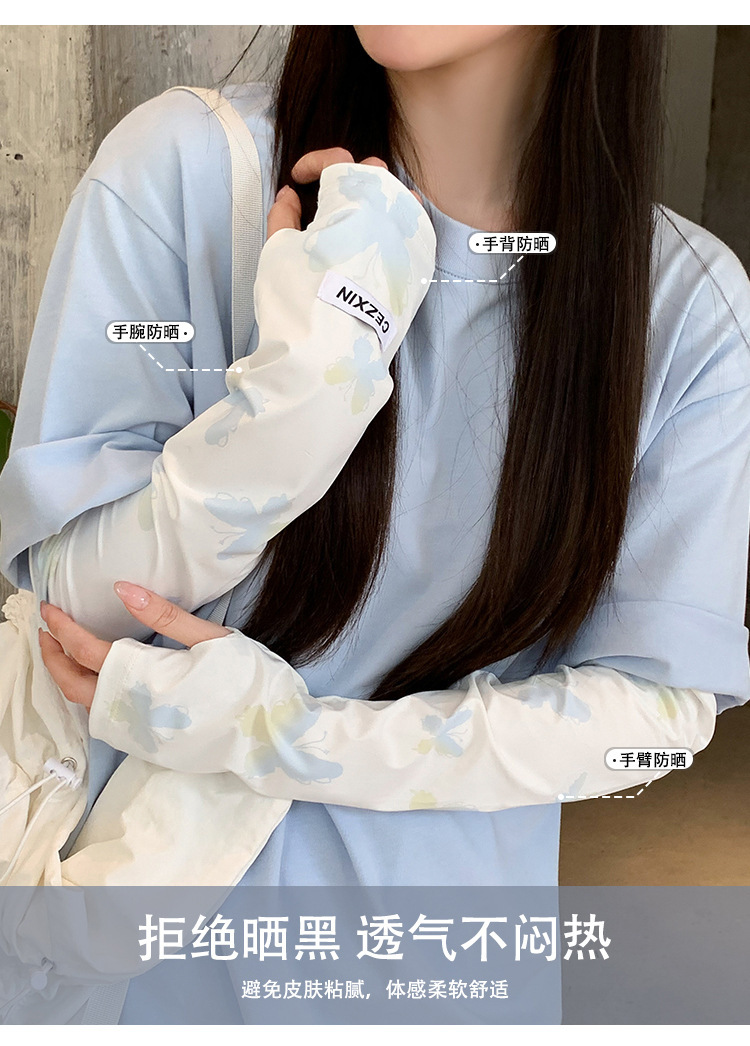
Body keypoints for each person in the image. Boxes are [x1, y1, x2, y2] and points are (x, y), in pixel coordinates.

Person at [1, 25, 749, 1025]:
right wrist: (309, 387)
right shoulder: (186, 170)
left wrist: (283, 735)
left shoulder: (685, 308)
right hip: (136, 966)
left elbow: (650, 720)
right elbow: (69, 605)